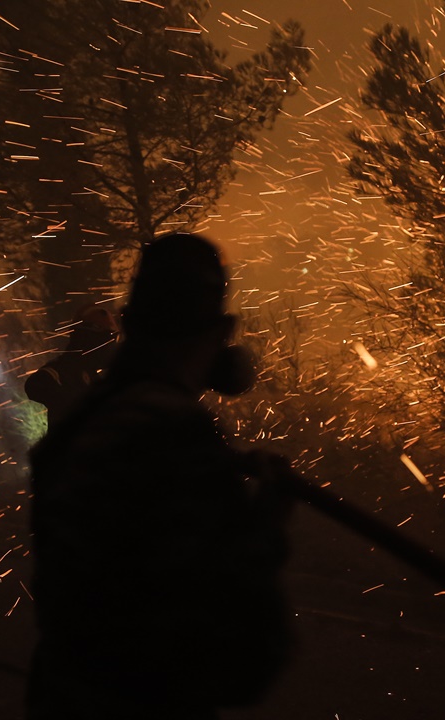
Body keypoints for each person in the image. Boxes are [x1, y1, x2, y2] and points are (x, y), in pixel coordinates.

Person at [27, 232, 292, 720]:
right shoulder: (177, 434)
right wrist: (264, 525)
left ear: (130, 324)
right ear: (221, 333)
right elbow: (241, 657)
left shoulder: (82, 422)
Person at [24, 303, 119, 427]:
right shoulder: (61, 371)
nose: (112, 347)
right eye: (110, 340)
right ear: (91, 336)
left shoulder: (94, 379)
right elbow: (36, 385)